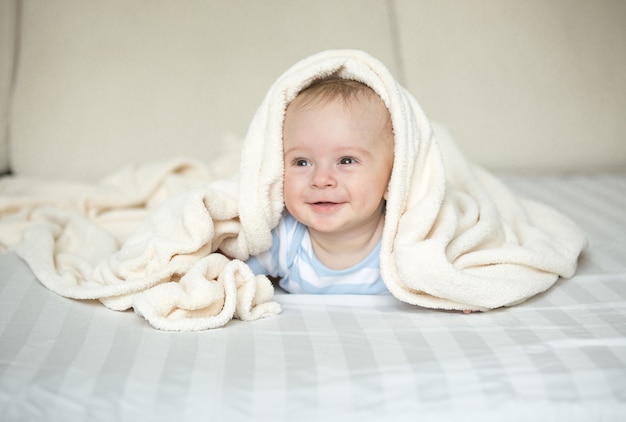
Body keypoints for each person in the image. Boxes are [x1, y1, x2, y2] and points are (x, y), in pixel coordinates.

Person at [246, 76, 394, 294]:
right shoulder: (286, 239)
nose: (321, 179)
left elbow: (450, 272)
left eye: (346, 161)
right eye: (302, 162)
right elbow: (232, 278)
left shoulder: (404, 239)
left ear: (393, 177)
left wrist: (454, 292)